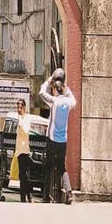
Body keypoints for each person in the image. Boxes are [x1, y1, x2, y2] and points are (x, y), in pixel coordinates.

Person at [39, 73, 76, 204]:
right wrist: (66, 88)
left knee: (48, 168)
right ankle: (69, 192)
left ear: (55, 89)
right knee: (62, 168)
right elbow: (73, 100)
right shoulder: (68, 102)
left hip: (52, 139)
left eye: (53, 89)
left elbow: (41, 93)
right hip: (63, 141)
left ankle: (46, 196)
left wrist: (49, 79)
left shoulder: (54, 102)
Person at [15, 98, 34, 203]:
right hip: (19, 151)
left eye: (20, 107)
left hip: (24, 150)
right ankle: (26, 197)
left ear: (24, 108)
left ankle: (27, 196)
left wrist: (21, 122)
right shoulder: (19, 118)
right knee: (22, 175)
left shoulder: (26, 119)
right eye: (17, 107)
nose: (19, 109)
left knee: (23, 175)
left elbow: (26, 131)